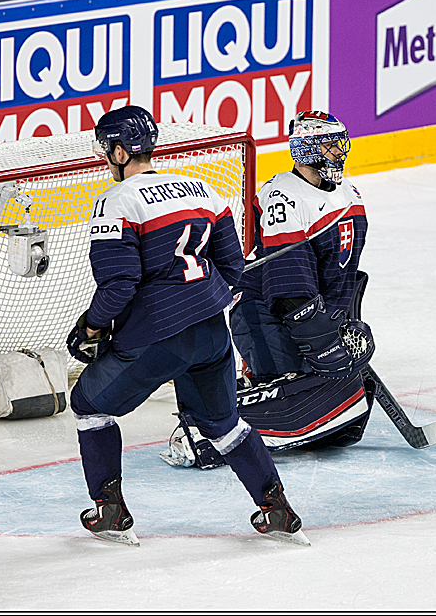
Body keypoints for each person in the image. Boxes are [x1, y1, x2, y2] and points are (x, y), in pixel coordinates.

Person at [66, 105, 309, 546]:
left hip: (155, 337)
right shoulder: (203, 189)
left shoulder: (116, 201)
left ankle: (110, 511)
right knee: (223, 424)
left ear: (120, 152)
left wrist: (91, 327)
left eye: (108, 149)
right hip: (212, 333)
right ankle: (277, 509)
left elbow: (119, 285)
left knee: (88, 404)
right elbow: (234, 268)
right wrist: (204, 304)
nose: (106, 156)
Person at [160, 111, 376, 468]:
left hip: (314, 314)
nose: (339, 153)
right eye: (330, 146)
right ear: (306, 151)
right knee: (298, 393)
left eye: (341, 145)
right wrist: (322, 341)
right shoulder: (281, 199)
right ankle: (203, 430)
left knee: (339, 406)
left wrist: (340, 324)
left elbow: (344, 269)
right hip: (265, 313)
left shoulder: (350, 192)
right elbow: (288, 286)